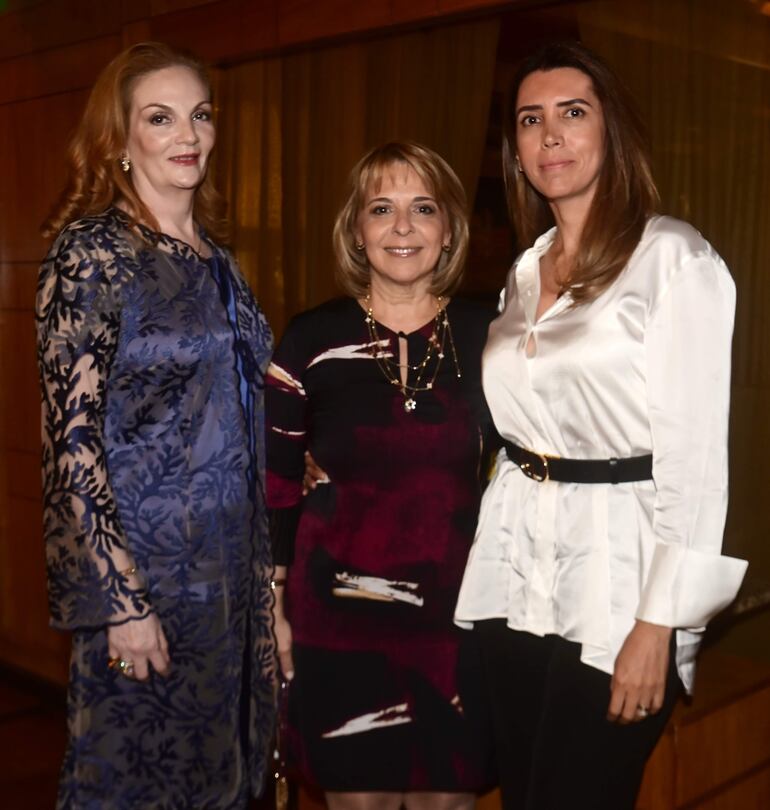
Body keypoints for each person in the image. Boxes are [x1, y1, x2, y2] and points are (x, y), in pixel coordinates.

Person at [454, 41, 748, 810]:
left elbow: (696, 463)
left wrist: (661, 625)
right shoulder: (522, 274)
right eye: (530, 120)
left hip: (620, 589)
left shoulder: (673, 260)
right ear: (516, 152)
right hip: (516, 575)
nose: (550, 135)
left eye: (572, 113)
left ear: (610, 130)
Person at [36, 42, 275, 809]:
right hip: (149, 583)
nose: (188, 135)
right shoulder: (92, 254)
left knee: (222, 781)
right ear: (120, 140)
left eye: (200, 115)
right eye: (161, 118)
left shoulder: (219, 261)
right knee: (136, 784)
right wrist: (121, 601)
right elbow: (71, 441)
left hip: (230, 584)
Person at [266, 142, 496, 810]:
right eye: (382, 209)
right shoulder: (310, 339)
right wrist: (271, 610)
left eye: (423, 208)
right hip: (336, 616)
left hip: (458, 615)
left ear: (448, 228)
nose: (403, 227)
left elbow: (535, 454)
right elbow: (276, 482)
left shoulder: (492, 335)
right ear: (357, 230)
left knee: (446, 802)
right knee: (356, 802)